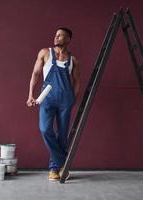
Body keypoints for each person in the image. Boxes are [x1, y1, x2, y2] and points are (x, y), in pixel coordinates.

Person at [26, 27, 80, 181]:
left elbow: (76, 82)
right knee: (45, 129)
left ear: (68, 39)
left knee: (62, 135)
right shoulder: (45, 52)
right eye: (55, 35)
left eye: (60, 35)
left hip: (66, 100)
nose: (56, 37)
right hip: (47, 99)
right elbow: (35, 74)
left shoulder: (73, 60)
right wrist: (31, 94)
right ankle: (63, 162)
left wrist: (73, 98)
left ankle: (53, 169)